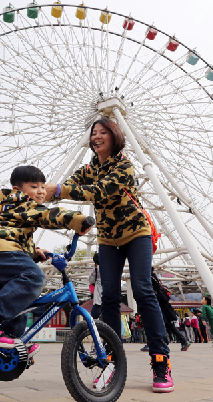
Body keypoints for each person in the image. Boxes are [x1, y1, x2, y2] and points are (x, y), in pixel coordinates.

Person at [45, 118, 174, 393]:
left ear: (114, 136)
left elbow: (101, 192)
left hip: (136, 233)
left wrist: (61, 190)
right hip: (107, 238)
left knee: (142, 290)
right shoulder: (89, 168)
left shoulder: (124, 166)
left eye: (103, 132)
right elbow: (70, 184)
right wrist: (43, 193)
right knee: (110, 298)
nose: (97, 137)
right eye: (94, 133)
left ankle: (161, 361)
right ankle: (112, 362)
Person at [0, 165, 89, 358]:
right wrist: (79, 221)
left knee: (19, 300)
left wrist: (35, 252)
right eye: (34, 186)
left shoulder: (4, 206)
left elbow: (13, 232)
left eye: (42, 186)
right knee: (33, 277)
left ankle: (12, 343)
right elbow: (48, 215)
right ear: (17, 190)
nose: (40, 191)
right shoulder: (23, 202)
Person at [150, 272, 190, 351]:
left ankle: (163, 344)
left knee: (160, 326)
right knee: (168, 326)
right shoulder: (161, 286)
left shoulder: (154, 282)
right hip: (165, 310)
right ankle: (183, 341)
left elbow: (160, 297)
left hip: (163, 310)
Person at [88, 254, 103, 320]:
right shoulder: (109, 267)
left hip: (99, 299)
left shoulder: (96, 269)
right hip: (109, 297)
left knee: (92, 319)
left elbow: (91, 280)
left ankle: (90, 329)